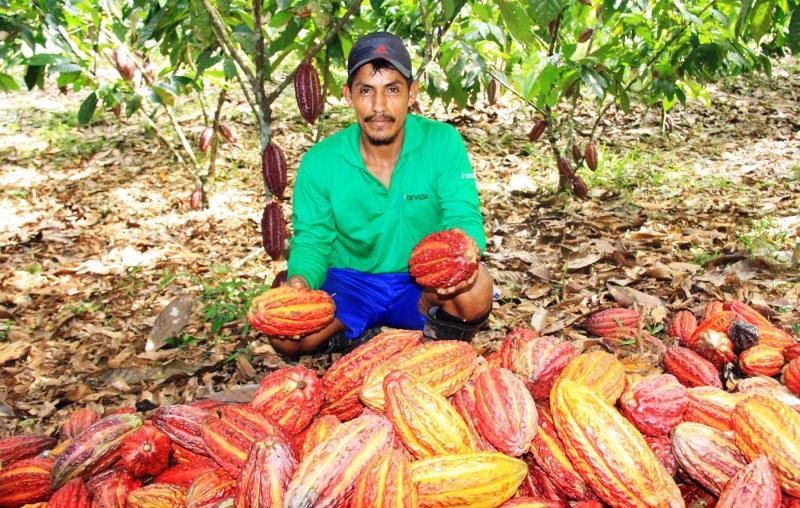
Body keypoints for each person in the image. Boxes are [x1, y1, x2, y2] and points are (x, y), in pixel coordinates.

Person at [270, 31, 493, 357]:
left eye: (391, 90)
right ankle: (349, 334)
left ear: (411, 93)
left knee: (476, 290)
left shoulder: (442, 142)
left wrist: (458, 262)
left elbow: (463, 216)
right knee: (287, 336)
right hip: (349, 284)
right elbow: (313, 240)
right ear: (348, 95)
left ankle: (436, 335)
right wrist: (299, 284)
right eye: (365, 91)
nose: (378, 107)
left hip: (420, 284)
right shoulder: (320, 162)